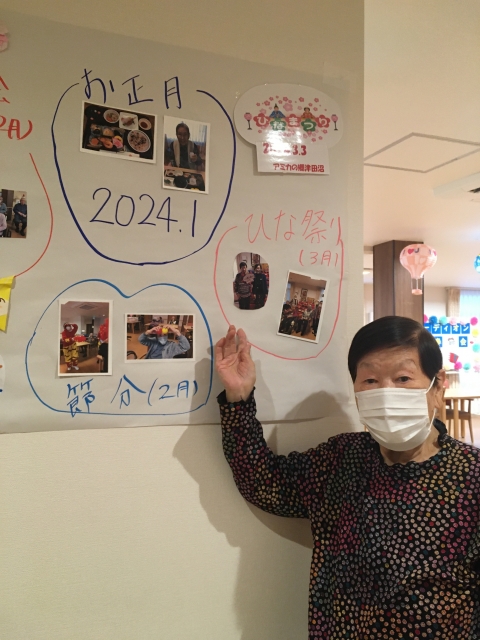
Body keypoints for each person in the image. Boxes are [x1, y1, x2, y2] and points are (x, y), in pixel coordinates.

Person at [215, 316, 480, 639]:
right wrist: (238, 397)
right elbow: (263, 483)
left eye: (403, 378)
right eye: (370, 380)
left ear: (437, 387)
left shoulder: (471, 476)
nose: (386, 393)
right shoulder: (341, 459)